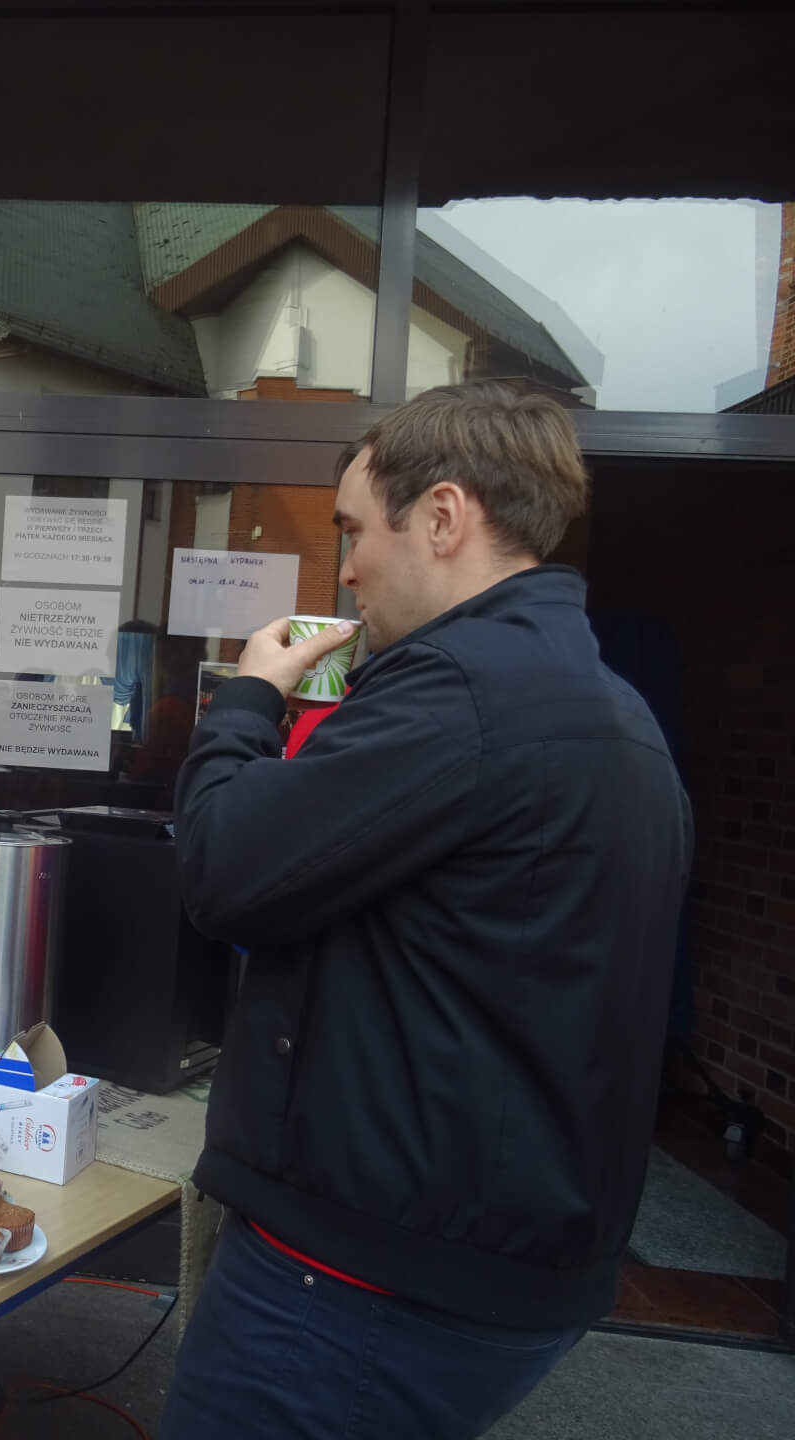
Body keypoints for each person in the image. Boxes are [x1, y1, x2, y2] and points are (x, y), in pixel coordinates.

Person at [160, 382, 692, 1440]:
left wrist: (247, 704)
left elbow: (225, 870)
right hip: (501, 1261)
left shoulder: (457, 693)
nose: (347, 567)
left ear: (444, 518)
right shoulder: (616, 710)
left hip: (358, 1286)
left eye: (356, 531)